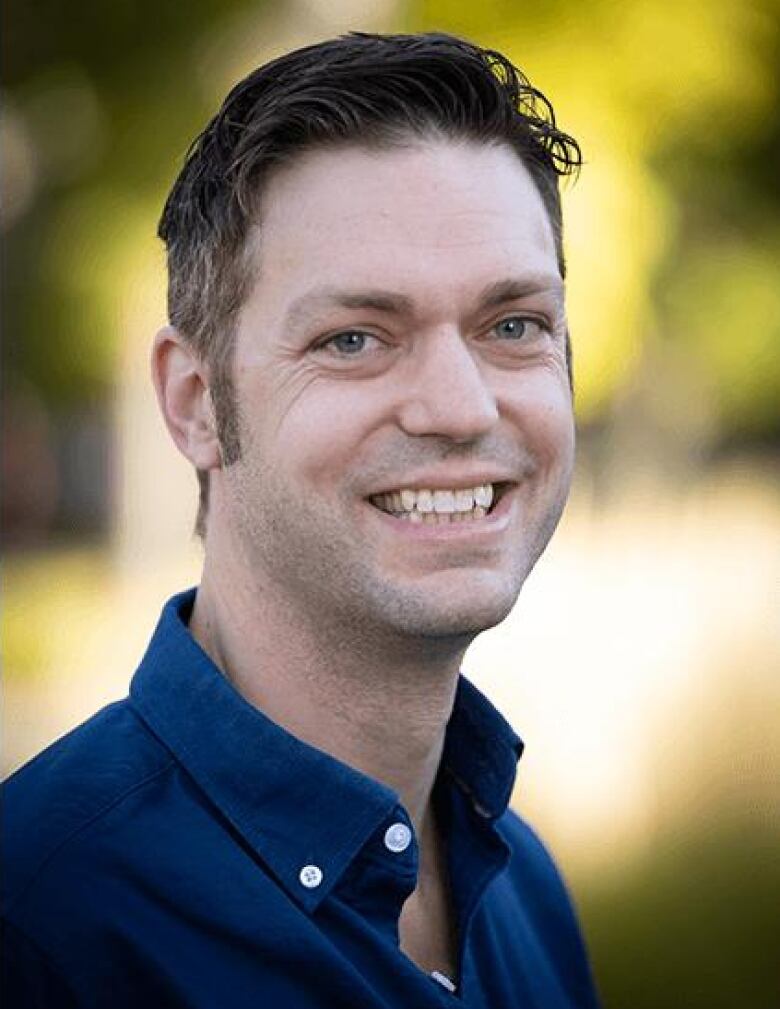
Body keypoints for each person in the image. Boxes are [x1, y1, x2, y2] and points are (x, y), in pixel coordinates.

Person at [2, 32, 601, 1008]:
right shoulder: (43, 928)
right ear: (195, 399)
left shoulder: (523, 889)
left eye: (512, 325)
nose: (460, 406)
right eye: (355, 338)